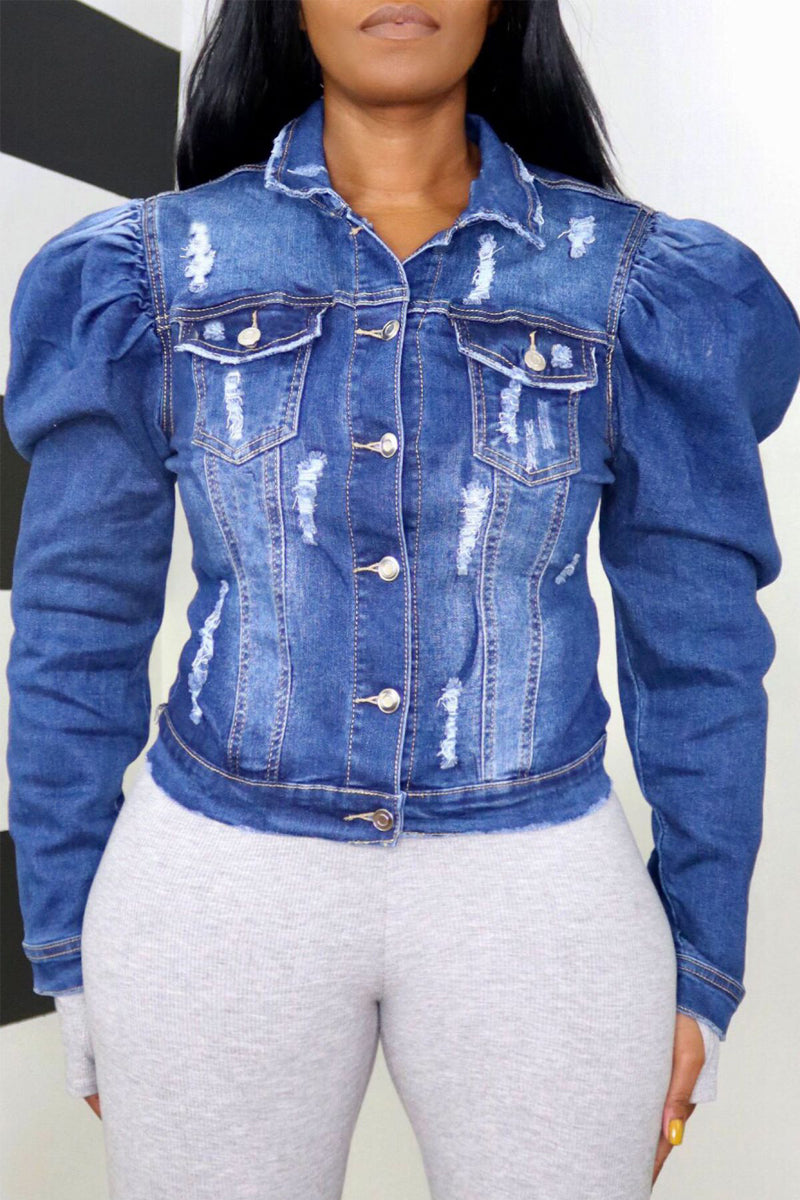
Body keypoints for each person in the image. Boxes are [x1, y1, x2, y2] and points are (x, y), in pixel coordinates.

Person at [4, 2, 799, 1196]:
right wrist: (68, 936)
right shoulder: (145, 271)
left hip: (535, 891)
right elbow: (75, 622)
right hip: (216, 887)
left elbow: (698, 652)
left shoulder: (632, 282)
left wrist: (703, 960)